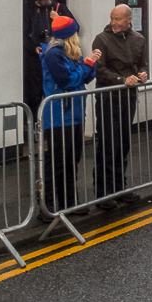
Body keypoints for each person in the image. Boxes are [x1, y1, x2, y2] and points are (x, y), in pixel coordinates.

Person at [40, 15, 100, 215]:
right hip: (58, 115)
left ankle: (69, 202)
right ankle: (47, 207)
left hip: (73, 113)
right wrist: (87, 65)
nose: (77, 35)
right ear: (70, 35)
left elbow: (84, 78)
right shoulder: (53, 54)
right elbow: (68, 80)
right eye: (75, 32)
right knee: (56, 162)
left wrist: (92, 64)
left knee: (71, 159)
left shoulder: (69, 52)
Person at [91, 5, 148, 207]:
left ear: (129, 19)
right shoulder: (101, 39)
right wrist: (121, 79)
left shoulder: (138, 39)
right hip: (108, 97)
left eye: (118, 19)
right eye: (112, 18)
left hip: (129, 97)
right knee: (107, 144)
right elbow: (100, 70)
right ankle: (103, 193)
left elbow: (142, 64)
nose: (114, 23)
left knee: (123, 143)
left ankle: (119, 187)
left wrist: (143, 73)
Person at [23, 0, 73, 121]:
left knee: (56, 91)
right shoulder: (29, 11)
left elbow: (75, 29)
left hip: (58, 57)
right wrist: (33, 48)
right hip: (37, 59)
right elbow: (21, 34)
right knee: (35, 94)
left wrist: (60, 19)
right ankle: (35, 127)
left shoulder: (60, 8)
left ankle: (55, 124)